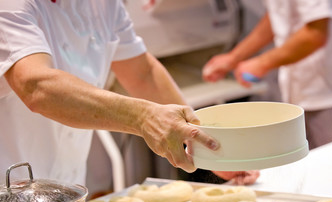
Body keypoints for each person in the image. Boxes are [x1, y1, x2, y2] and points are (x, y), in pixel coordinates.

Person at [0, 0, 220, 185]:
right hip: (8, 193)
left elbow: (143, 73)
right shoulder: (11, 5)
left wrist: (210, 148)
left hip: (67, 191)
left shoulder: (104, 4)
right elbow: (37, 86)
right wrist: (142, 116)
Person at [203, 0, 332, 151]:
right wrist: (234, 57)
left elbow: (316, 32)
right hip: (300, 96)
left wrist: (261, 63)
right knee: (311, 168)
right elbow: (277, 15)